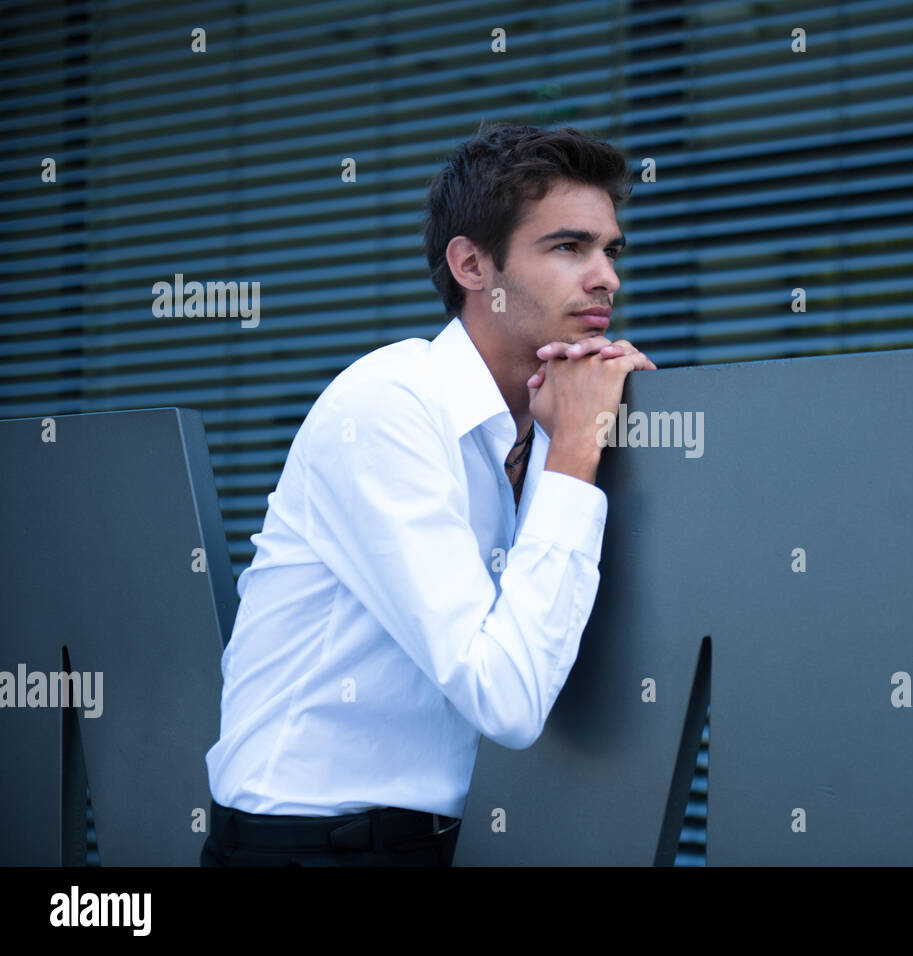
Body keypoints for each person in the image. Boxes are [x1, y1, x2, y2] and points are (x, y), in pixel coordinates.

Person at [200, 121, 655, 866]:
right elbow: (504, 699)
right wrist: (574, 451)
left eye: (610, 250)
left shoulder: (540, 423)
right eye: (569, 247)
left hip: (428, 846)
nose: (606, 275)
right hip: (306, 852)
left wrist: (570, 440)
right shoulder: (388, 406)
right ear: (472, 264)